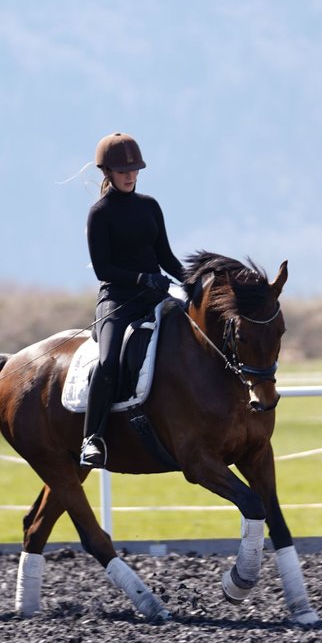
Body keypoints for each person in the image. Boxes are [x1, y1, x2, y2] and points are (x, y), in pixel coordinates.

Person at [80, 132, 185, 468]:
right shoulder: (100, 213)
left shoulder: (150, 206)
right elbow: (103, 269)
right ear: (107, 172)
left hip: (155, 296)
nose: (130, 175)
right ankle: (91, 438)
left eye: (135, 169)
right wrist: (141, 277)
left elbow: (166, 257)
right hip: (118, 300)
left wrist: (193, 281)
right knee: (108, 361)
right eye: (123, 170)